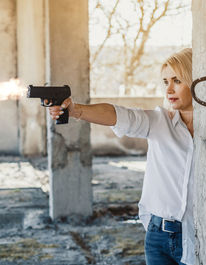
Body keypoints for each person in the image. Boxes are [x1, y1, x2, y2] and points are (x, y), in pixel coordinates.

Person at [48, 48, 195, 265]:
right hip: (157, 235)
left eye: (177, 80)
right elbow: (118, 115)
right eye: (165, 82)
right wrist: (76, 110)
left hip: (196, 234)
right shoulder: (159, 122)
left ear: (194, 80)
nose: (169, 89)